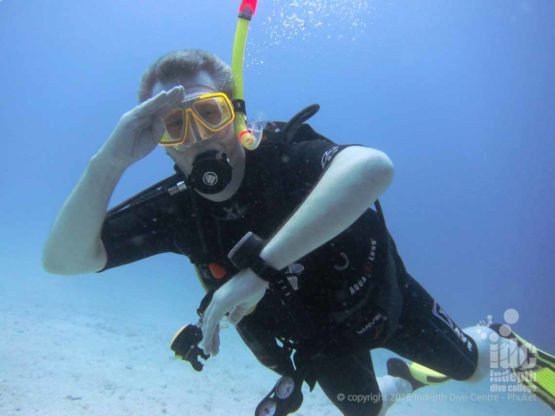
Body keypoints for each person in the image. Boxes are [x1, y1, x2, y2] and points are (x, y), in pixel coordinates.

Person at [43, 49, 553, 416]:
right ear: (162, 144)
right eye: (175, 127)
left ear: (236, 115)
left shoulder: (288, 155)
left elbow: (374, 167)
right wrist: (107, 163)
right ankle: (403, 383)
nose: (197, 137)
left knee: (473, 369)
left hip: (386, 302)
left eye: (210, 112)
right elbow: (63, 260)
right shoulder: (177, 209)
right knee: (367, 410)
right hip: (321, 344)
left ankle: (493, 340)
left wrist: (261, 270)